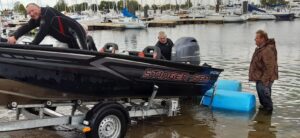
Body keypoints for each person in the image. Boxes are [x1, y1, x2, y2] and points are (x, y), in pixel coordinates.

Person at [7, 3, 96, 51]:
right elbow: (26, 27)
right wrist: (15, 36)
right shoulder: (37, 18)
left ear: (38, 8)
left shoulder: (47, 12)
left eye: (32, 10)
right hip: (67, 39)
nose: (31, 14)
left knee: (83, 53)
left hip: (76, 31)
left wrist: (31, 47)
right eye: (29, 13)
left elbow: (42, 32)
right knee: (72, 50)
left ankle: (89, 47)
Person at [249, 30, 278, 112]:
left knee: (265, 96)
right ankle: (262, 116)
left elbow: (270, 67)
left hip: (265, 78)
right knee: (261, 96)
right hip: (260, 77)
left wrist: (264, 80)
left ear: (262, 39)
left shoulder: (267, 50)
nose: (255, 39)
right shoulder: (261, 48)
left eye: (256, 38)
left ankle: (268, 114)